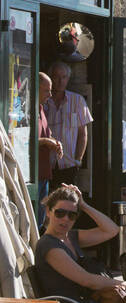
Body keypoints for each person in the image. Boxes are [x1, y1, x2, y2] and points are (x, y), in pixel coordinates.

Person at [43, 61, 92, 191]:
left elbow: (83, 134)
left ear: (68, 79)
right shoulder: (43, 101)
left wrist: (78, 160)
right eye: (56, 77)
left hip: (69, 165)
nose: (60, 81)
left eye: (64, 77)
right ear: (50, 78)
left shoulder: (77, 101)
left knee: (69, 204)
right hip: (46, 165)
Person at [37, 71, 63, 224]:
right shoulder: (26, 109)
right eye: (46, 90)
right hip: (32, 176)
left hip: (44, 173)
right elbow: (21, 140)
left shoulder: (41, 108)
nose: (50, 94)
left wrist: (55, 142)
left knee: (40, 221)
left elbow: (47, 134)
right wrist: (47, 141)